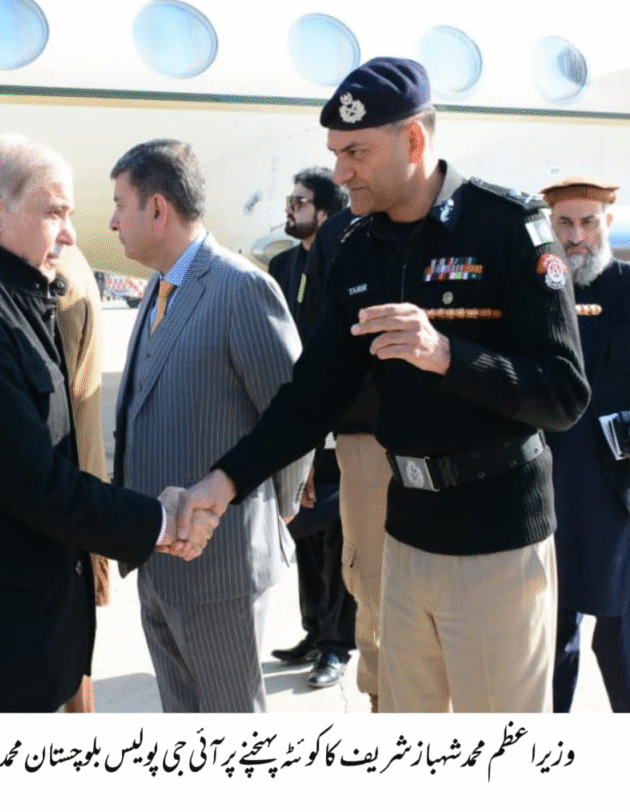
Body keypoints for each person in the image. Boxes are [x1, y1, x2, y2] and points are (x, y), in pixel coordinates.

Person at [179, 57, 590, 713]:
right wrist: (224, 482)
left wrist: (448, 355)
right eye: (335, 154)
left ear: (414, 141)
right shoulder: (357, 248)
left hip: (497, 543)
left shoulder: (508, 229)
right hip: (405, 537)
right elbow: (310, 396)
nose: (341, 172)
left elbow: (563, 394)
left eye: (356, 153)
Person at [0, 134, 217, 713]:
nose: (70, 234)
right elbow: (37, 484)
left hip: (20, 640)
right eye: (55, 213)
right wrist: (162, 522)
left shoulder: (12, 300)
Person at [110, 139, 311, 712]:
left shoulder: (241, 288)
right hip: (160, 562)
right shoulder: (158, 289)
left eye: (121, 205)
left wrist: (282, 506)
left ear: (157, 209)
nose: (114, 221)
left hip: (220, 567)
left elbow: (292, 416)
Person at [541, 176, 630, 712]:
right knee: (551, 636)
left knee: (620, 639)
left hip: (618, 491)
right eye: (565, 224)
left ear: (608, 223)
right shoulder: (535, 294)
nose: (576, 236)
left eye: (588, 222)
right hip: (549, 485)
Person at [268, 167, 357, 690]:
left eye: (299, 201)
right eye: (291, 198)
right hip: (296, 416)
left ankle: (336, 643)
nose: (289, 207)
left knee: (339, 531)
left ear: (325, 212)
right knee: (301, 525)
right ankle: (313, 629)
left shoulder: (344, 262)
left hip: (336, 419)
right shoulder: (282, 265)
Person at [54, 244, 111, 713]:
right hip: (81, 485)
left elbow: (56, 406)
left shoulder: (57, 282)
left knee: (68, 655)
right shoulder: (69, 265)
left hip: (65, 495)